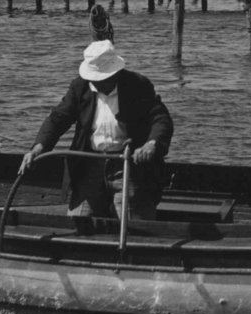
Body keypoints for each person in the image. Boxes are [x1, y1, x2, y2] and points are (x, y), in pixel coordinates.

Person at [20, 39, 173, 221]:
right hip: (89, 166)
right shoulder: (80, 86)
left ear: (115, 73)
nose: (96, 83)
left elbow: (160, 119)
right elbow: (58, 118)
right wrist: (39, 147)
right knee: (78, 224)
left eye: (101, 79)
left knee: (135, 227)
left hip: (128, 166)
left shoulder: (138, 85)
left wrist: (151, 144)